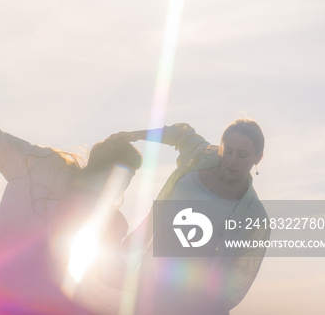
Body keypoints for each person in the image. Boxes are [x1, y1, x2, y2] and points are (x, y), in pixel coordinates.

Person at [0, 93, 142, 315]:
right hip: (13, 298)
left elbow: (114, 271)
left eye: (130, 177)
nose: (125, 184)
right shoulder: (42, 167)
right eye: (123, 174)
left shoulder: (113, 221)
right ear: (106, 165)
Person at [110, 119, 269, 315]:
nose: (232, 160)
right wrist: (134, 135)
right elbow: (178, 133)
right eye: (228, 151)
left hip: (191, 299)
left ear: (258, 157)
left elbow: (237, 280)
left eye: (242, 155)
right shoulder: (201, 156)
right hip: (149, 278)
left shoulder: (253, 214)